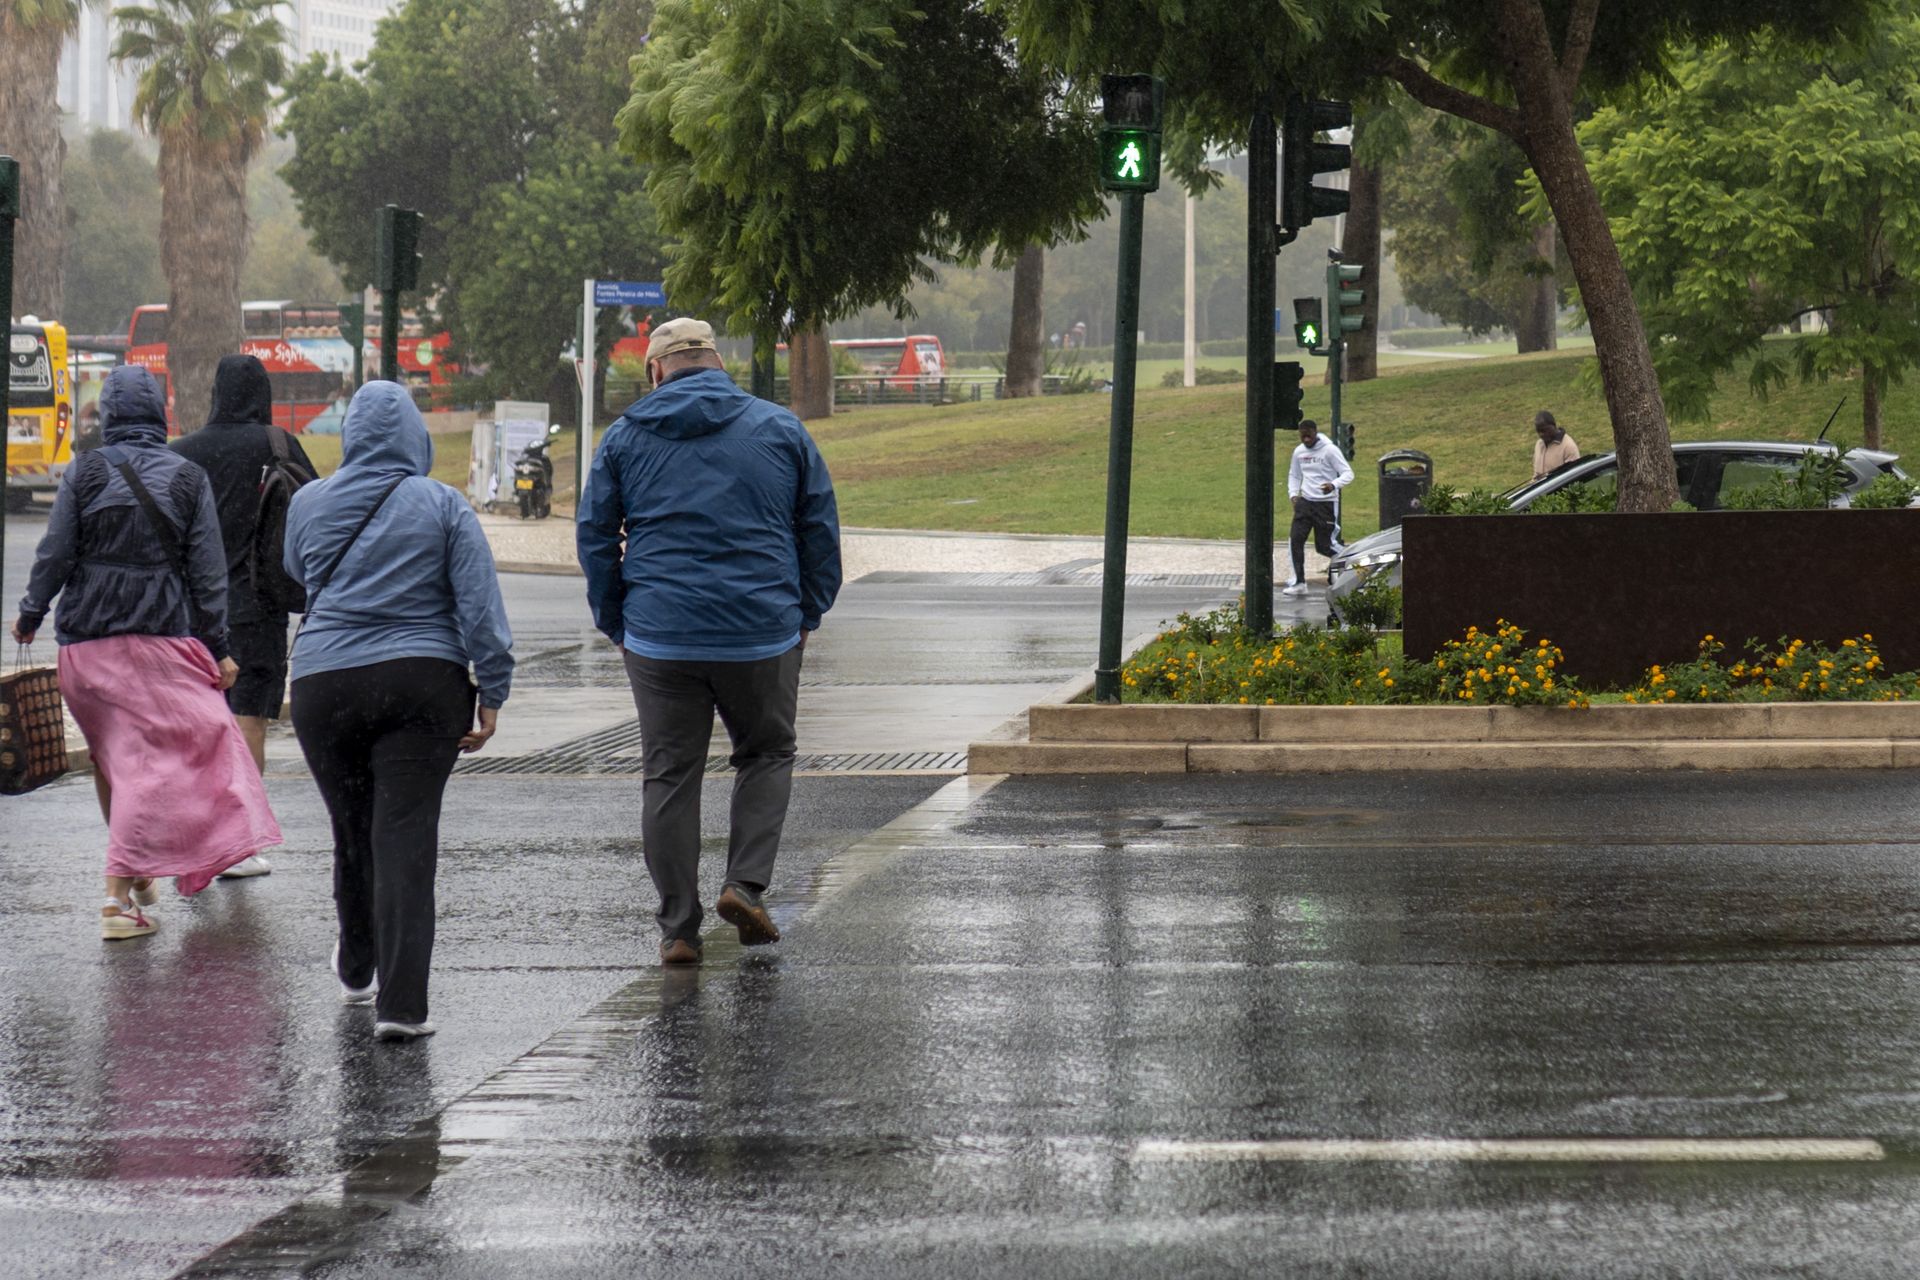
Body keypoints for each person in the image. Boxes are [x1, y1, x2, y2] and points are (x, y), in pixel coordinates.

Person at [578, 317, 842, 968]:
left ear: (655, 370)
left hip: (661, 635)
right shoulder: (780, 429)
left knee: (669, 775)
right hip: (762, 631)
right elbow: (820, 531)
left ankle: (677, 930)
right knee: (767, 752)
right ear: (720, 364)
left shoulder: (625, 438)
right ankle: (745, 886)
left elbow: (594, 539)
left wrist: (618, 620)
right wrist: (805, 610)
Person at [11, 366, 282, 940]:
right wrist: (219, 649)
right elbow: (208, 577)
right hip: (157, 644)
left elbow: (55, 552)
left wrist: (32, 614)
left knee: (116, 760)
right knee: (196, 748)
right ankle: (115, 897)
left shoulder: (84, 472)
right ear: (159, 414)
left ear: (109, 415)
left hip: (85, 653)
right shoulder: (185, 478)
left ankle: (136, 879)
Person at [284, 380, 513, 1041]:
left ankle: (358, 958)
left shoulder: (308, 502)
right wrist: (491, 691)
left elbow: (297, 571)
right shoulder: (444, 503)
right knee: (405, 835)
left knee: (353, 827)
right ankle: (403, 1006)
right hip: (423, 682)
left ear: (352, 434)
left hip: (325, 684)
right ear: (413, 434)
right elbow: (479, 607)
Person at [170, 354, 317, 880]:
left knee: (196, 726)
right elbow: (312, 510)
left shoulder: (181, 454)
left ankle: (199, 838)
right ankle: (238, 843)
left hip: (189, 613)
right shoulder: (278, 445)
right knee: (248, 718)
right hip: (259, 607)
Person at [1282, 418, 1353, 598]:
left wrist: (1333, 484)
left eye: (1309, 436)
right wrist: (1293, 494)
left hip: (1326, 502)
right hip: (1305, 502)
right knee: (1295, 541)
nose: (1306, 440)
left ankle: (1353, 561)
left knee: (1324, 546)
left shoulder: (1330, 450)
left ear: (1315, 432)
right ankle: (1298, 582)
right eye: (1303, 436)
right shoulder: (1299, 452)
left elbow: (1348, 473)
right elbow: (1294, 475)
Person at [1533, 410, 1579, 481]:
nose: (1541, 434)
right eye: (1538, 431)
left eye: (1544, 430)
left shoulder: (1568, 446)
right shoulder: (1539, 444)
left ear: (1553, 426)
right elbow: (1536, 475)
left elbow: (1573, 476)